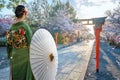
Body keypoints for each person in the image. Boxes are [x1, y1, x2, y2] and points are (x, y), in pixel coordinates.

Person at [6, 5, 35, 80]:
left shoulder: (11, 27)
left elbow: (8, 44)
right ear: (24, 13)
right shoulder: (25, 26)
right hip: (25, 55)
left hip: (15, 54)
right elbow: (31, 42)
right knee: (25, 75)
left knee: (16, 74)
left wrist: (9, 54)